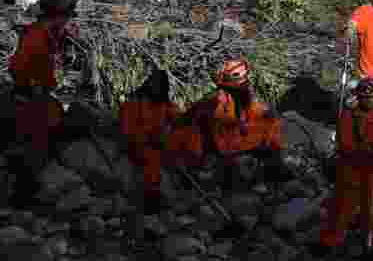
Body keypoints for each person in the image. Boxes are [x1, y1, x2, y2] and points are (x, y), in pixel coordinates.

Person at [7, 0, 76, 207]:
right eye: (66, 17)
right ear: (56, 16)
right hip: (30, 98)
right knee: (32, 145)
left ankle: (27, 192)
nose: (68, 22)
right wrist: (33, 86)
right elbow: (17, 67)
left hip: (40, 95)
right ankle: (22, 197)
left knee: (40, 141)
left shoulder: (48, 34)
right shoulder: (36, 37)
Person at [185, 58, 288, 193]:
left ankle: (274, 181)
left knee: (268, 142)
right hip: (216, 157)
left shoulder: (241, 100)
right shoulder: (217, 102)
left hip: (227, 152)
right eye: (243, 84)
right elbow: (222, 139)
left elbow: (256, 113)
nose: (246, 87)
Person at [319, 77, 373, 257]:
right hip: (352, 169)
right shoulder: (349, 116)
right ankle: (332, 240)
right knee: (343, 205)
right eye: (366, 97)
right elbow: (345, 144)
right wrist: (367, 149)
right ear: (359, 98)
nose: (370, 101)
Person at [119, 69, 182, 215]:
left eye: (160, 86)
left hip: (158, 144)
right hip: (140, 145)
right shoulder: (134, 103)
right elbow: (128, 132)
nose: (157, 88)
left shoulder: (164, 103)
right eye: (155, 84)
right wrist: (150, 138)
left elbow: (179, 119)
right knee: (152, 160)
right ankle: (151, 198)